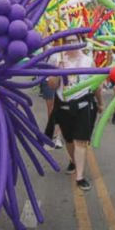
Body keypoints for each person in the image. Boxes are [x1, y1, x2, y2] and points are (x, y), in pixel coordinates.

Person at [47, 34, 102, 191]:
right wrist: (58, 71)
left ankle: (80, 176)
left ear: (80, 42)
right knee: (69, 140)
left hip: (83, 105)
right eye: (67, 41)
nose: (71, 44)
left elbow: (96, 84)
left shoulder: (88, 61)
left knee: (80, 141)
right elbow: (51, 85)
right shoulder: (58, 60)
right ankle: (73, 160)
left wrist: (100, 103)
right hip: (63, 107)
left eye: (74, 40)